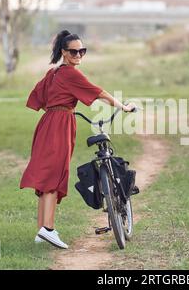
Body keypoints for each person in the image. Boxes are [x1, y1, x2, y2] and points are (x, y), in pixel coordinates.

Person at [19, 30, 136, 249]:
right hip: (59, 124)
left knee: (47, 175)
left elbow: (37, 97)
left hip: (47, 123)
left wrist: (54, 109)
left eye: (82, 51)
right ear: (64, 52)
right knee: (54, 174)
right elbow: (99, 92)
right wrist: (124, 106)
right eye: (74, 51)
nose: (79, 55)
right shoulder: (70, 74)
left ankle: (42, 230)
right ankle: (49, 229)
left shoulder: (53, 73)